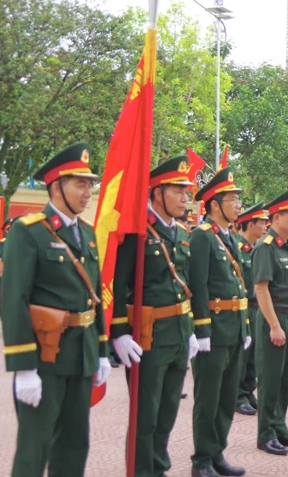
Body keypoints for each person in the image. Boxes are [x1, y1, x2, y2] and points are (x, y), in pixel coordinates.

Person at [1, 141, 111, 476]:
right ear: (55, 186)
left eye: (90, 184)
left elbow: (95, 295)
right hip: (44, 359)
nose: (87, 191)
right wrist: (22, 367)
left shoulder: (89, 234)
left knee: (75, 445)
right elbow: (13, 301)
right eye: (80, 183)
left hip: (81, 356)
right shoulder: (28, 231)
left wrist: (102, 350)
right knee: (34, 449)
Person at [108, 156, 199, 477]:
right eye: (178, 191)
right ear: (157, 193)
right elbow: (117, 283)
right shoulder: (137, 231)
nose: (186, 199)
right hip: (146, 337)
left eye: (187, 192)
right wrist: (118, 332)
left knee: (167, 413)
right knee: (144, 418)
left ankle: (157, 469)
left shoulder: (182, 233)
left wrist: (190, 330)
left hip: (176, 334)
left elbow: (184, 285)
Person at [187, 166, 250, 477]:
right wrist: (201, 329)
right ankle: (201, 460)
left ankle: (217, 452)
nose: (239, 205)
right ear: (214, 204)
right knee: (208, 399)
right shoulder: (202, 238)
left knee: (227, 398)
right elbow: (198, 286)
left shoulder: (229, 237)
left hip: (235, 328)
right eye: (233, 199)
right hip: (214, 327)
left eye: (239, 200)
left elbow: (239, 286)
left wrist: (246, 327)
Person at [252, 188, 288, 456]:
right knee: (271, 379)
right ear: (276, 218)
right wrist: (274, 325)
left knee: (286, 380)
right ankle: (265, 434)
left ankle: (280, 426)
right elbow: (261, 289)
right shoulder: (266, 248)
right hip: (275, 320)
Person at [235, 202, 269, 416]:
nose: (265, 227)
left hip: (258, 308)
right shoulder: (237, 250)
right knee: (243, 355)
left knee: (255, 355)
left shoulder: (258, 249)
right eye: (261, 223)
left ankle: (249, 391)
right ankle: (238, 395)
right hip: (244, 308)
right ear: (249, 225)